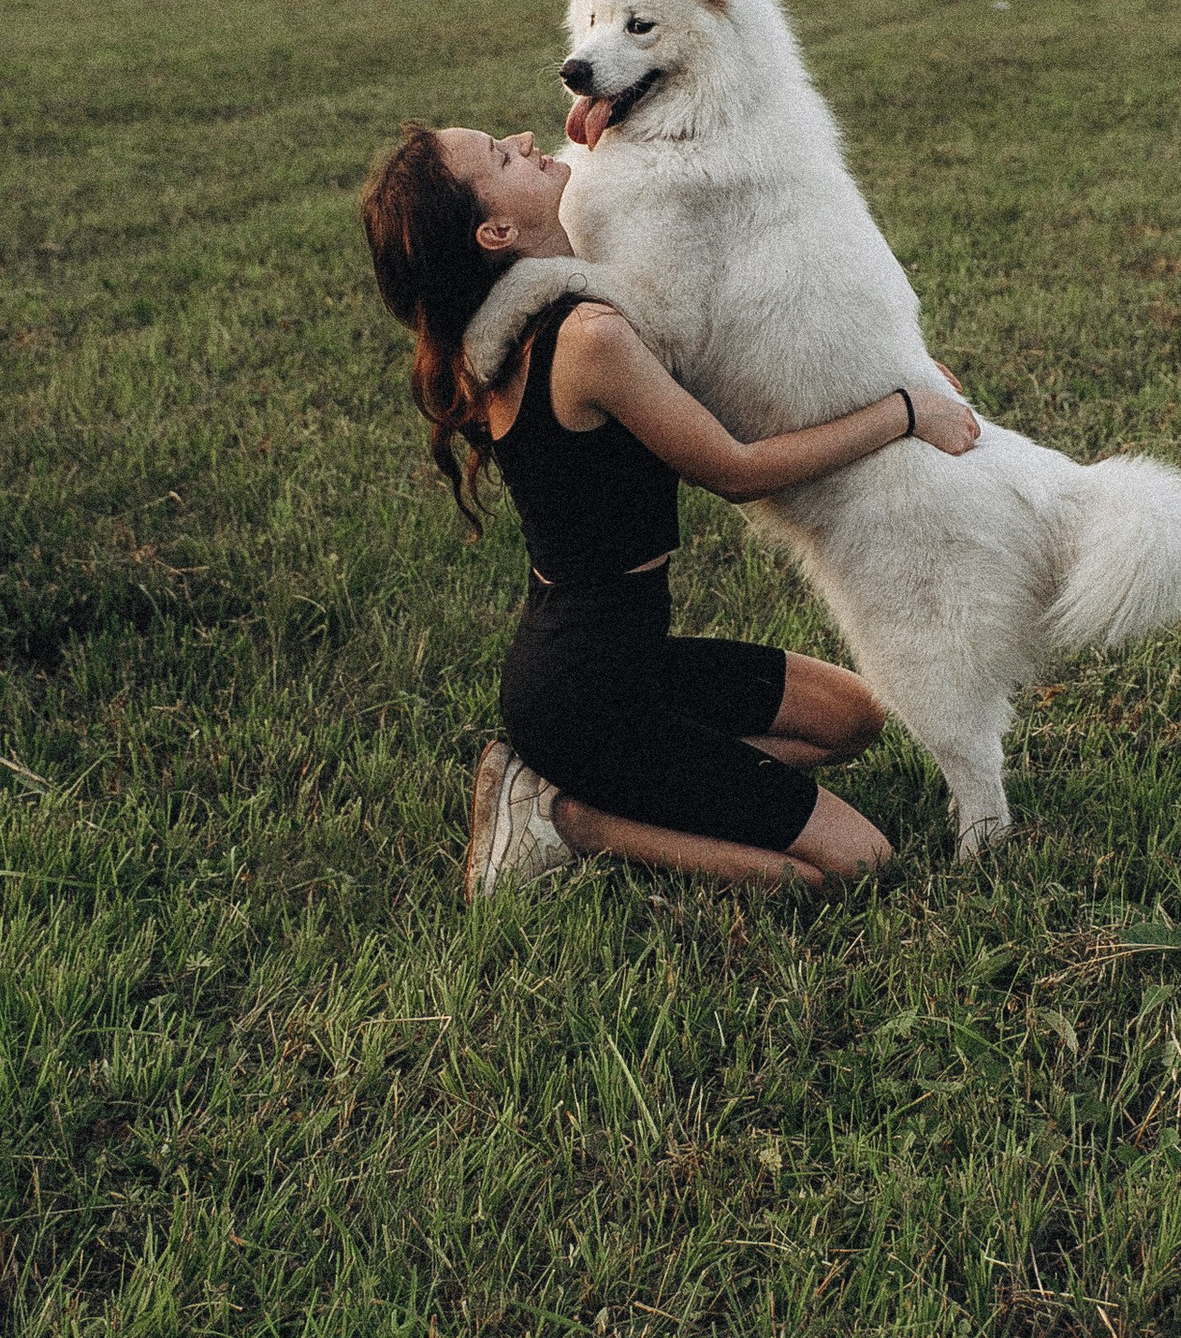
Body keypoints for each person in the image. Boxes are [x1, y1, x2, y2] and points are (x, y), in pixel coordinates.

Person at [359, 124, 980, 896]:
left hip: (621, 662)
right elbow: (736, 469)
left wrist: (880, 371)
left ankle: (632, 785)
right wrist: (903, 412)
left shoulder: (501, 331)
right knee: (857, 864)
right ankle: (568, 817)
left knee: (856, 715)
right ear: (497, 232)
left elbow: (721, 373)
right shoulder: (586, 340)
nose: (523, 138)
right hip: (585, 697)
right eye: (500, 155)